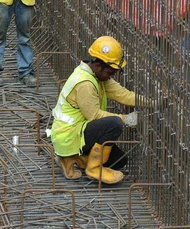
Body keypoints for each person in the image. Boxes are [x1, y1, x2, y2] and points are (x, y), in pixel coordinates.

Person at [50, 36, 145, 184]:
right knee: (115, 123)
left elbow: (123, 94)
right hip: (69, 136)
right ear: (99, 66)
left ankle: (75, 159)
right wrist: (126, 119)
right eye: (110, 72)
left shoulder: (99, 76)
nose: (111, 76)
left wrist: (154, 103)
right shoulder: (85, 83)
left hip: (79, 133)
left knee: (119, 160)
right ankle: (92, 168)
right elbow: (94, 116)